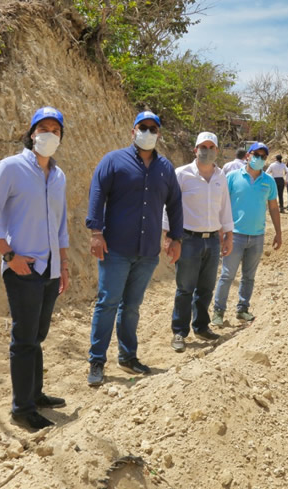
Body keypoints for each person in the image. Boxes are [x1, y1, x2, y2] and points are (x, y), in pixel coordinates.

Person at [0, 106, 70, 431]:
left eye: (55, 130)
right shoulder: (10, 168)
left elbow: (61, 226)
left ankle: (36, 393)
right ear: (31, 134)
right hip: (23, 269)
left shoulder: (58, 177)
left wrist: (64, 265)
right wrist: (9, 255)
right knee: (24, 338)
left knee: (38, 335)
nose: (49, 135)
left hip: (50, 268)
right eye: (43, 128)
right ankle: (22, 408)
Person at [85, 110, 183, 386]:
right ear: (133, 131)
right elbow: (97, 193)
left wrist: (175, 238)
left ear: (159, 134)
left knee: (131, 307)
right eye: (144, 127)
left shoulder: (165, 168)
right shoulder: (114, 161)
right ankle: (97, 361)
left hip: (147, 251)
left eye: (154, 128)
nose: (148, 132)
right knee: (107, 303)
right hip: (115, 247)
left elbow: (175, 203)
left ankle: (128, 357)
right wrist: (96, 232)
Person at [164, 132, 234, 352]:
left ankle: (202, 327)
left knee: (206, 288)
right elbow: (169, 206)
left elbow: (225, 207)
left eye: (211, 146)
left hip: (212, 240)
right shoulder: (181, 174)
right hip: (188, 240)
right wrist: (168, 237)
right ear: (195, 149)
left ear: (217, 150)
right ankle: (179, 332)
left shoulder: (221, 176)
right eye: (203, 146)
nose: (207, 150)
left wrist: (228, 235)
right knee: (185, 288)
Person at [211, 142, 282, 326]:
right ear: (248, 156)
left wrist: (278, 233)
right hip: (235, 235)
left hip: (257, 237)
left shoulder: (269, 181)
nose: (259, 158)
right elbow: (222, 205)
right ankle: (218, 311)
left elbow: (273, 208)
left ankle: (242, 309)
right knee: (227, 275)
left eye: (263, 156)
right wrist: (221, 230)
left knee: (249, 276)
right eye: (256, 154)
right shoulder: (233, 177)